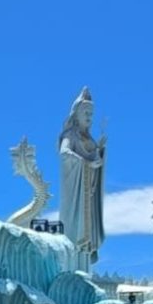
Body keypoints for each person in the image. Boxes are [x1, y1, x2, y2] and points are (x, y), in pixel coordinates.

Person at [58, 86, 106, 272]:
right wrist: (86, 163)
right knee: (76, 230)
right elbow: (64, 153)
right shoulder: (70, 135)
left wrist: (100, 152)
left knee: (88, 231)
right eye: (85, 112)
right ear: (76, 114)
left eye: (91, 113)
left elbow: (96, 161)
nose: (89, 116)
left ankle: (84, 266)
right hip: (76, 191)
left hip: (89, 191)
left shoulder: (90, 139)